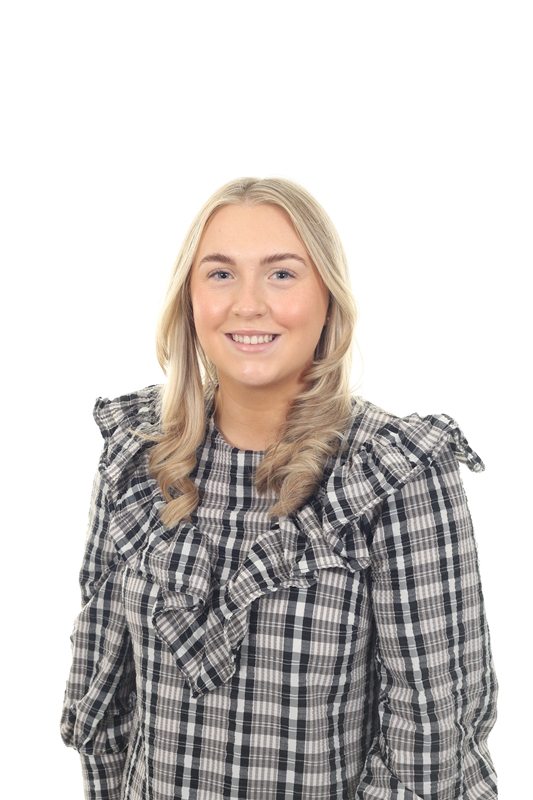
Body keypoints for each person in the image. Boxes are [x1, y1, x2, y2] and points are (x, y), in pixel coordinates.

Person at [61, 177, 498, 799]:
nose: (248, 304)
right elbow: (102, 699)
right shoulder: (139, 459)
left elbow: (430, 743)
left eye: (282, 274)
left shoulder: (391, 473)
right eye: (220, 274)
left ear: (328, 297)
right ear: (189, 299)